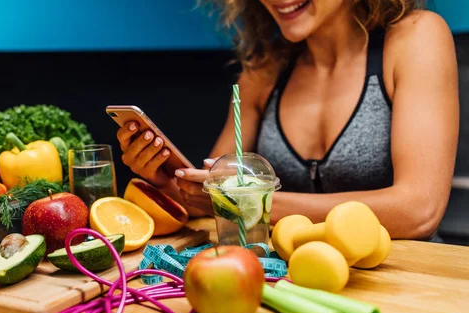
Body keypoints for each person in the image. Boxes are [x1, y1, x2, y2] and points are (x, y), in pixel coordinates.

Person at [116, 0, 459, 240]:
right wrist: (169, 181)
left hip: (409, 284)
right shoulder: (263, 74)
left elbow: (420, 209)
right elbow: (213, 197)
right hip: (293, 280)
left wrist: (256, 203)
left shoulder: (415, 38)